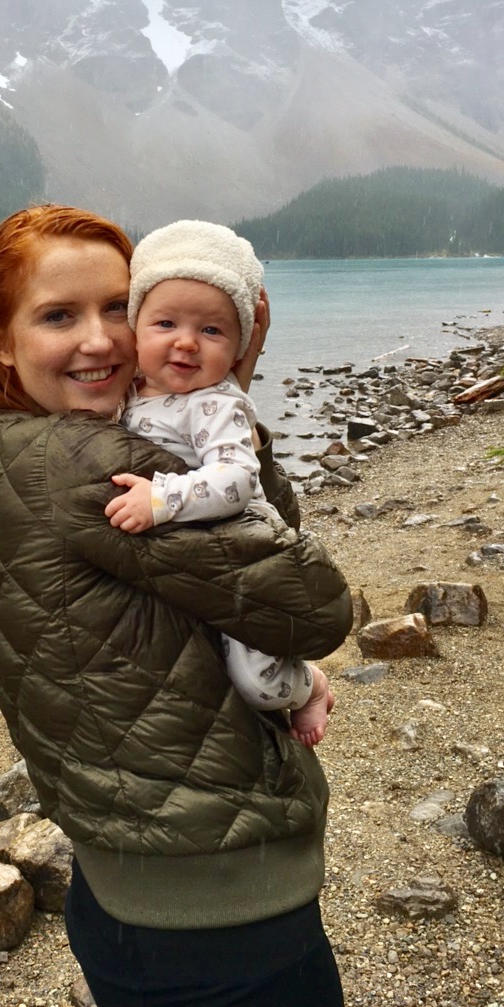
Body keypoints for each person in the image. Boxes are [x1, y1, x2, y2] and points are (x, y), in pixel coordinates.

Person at [0, 203, 352, 1007]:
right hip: (216, 912)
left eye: (117, 308)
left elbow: (250, 557)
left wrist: (222, 393)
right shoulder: (92, 468)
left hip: (127, 886)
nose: (101, 341)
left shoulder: (20, 443)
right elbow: (312, 609)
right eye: (60, 316)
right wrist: (231, 396)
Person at [105, 219, 334, 747]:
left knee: (258, 684)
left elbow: (234, 478)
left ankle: (311, 684)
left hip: (241, 549)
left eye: (212, 331)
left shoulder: (218, 402)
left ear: (237, 345)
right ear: (135, 328)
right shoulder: (133, 390)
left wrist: (162, 498)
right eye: (165, 323)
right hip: (195, 550)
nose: (186, 343)